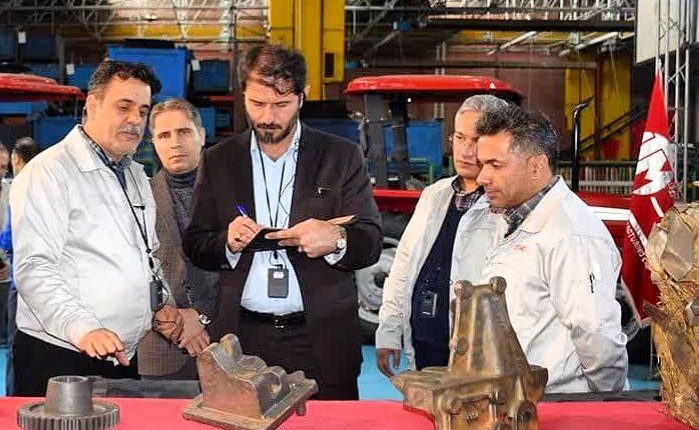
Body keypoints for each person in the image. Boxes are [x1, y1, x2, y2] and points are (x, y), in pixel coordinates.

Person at [183, 44, 382, 400]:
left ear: (303, 97)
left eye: (281, 104)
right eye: (257, 104)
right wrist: (226, 242)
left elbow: (370, 241)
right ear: (243, 95)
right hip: (241, 338)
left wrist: (336, 238)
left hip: (321, 341)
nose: (267, 117)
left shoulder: (341, 156)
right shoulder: (219, 161)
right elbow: (196, 243)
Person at [10, 60, 184, 396]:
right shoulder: (49, 172)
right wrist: (83, 329)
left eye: (143, 110)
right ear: (92, 105)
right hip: (62, 354)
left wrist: (161, 303)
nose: (135, 119)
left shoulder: (134, 174)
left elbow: (147, 256)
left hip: (120, 353)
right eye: (124, 106)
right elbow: (34, 267)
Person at [475, 104, 628, 393]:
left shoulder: (571, 235)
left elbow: (597, 338)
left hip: (558, 403)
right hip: (516, 400)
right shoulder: (512, 218)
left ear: (536, 166)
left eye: (495, 165)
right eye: (482, 164)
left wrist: (602, 405)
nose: (483, 177)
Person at [375, 95, 509, 377]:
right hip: (424, 348)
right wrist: (389, 330)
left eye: (476, 141)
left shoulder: (507, 208)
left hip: (478, 360)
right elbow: (403, 266)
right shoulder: (434, 195)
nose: (465, 151)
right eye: (459, 138)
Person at [138, 98, 219, 379]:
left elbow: (242, 265)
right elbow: (130, 273)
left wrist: (201, 315)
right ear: (153, 143)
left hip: (223, 341)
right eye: (164, 135)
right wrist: (175, 322)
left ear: (202, 135)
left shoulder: (230, 192)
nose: (175, 143)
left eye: (183, 132)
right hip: (161, 349)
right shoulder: (138, 199)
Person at [0, 137, 40, 394]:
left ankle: (14, 397)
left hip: (20, 280)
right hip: (44, 282)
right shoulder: (49, 185)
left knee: (17, 345)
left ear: (16, 159)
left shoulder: (19, 188)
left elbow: (8, 238)